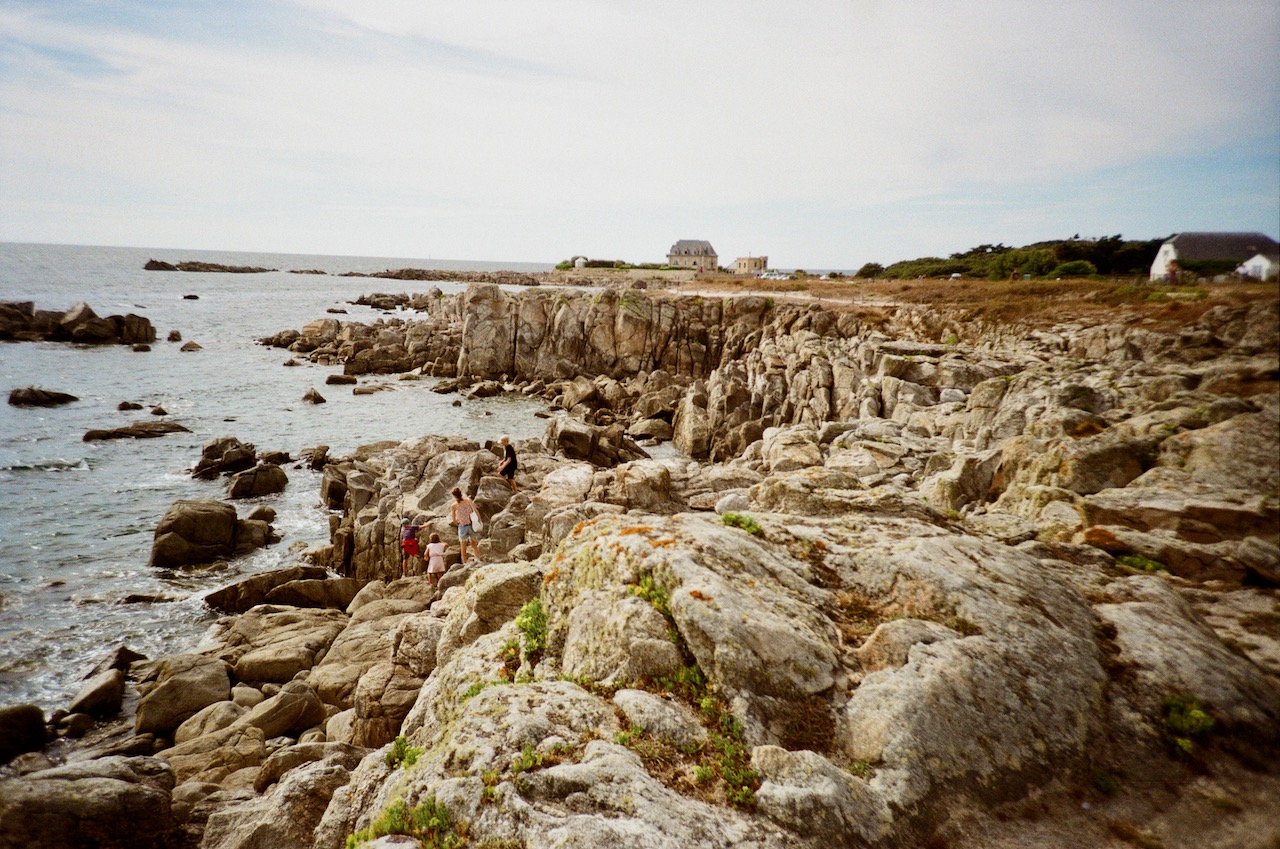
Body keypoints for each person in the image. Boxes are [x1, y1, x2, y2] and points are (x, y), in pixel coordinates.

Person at [449, 486, 481, 564]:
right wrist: (479, 520)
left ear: (454, 496)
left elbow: (453, 519)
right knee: (474, 544)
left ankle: (465, 563)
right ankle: (477, 559)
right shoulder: (468, 500)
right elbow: (475, 511)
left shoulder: (453, 506)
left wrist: (458, 523)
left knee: (463, 547)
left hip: (462, 526)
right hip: (471, 525)